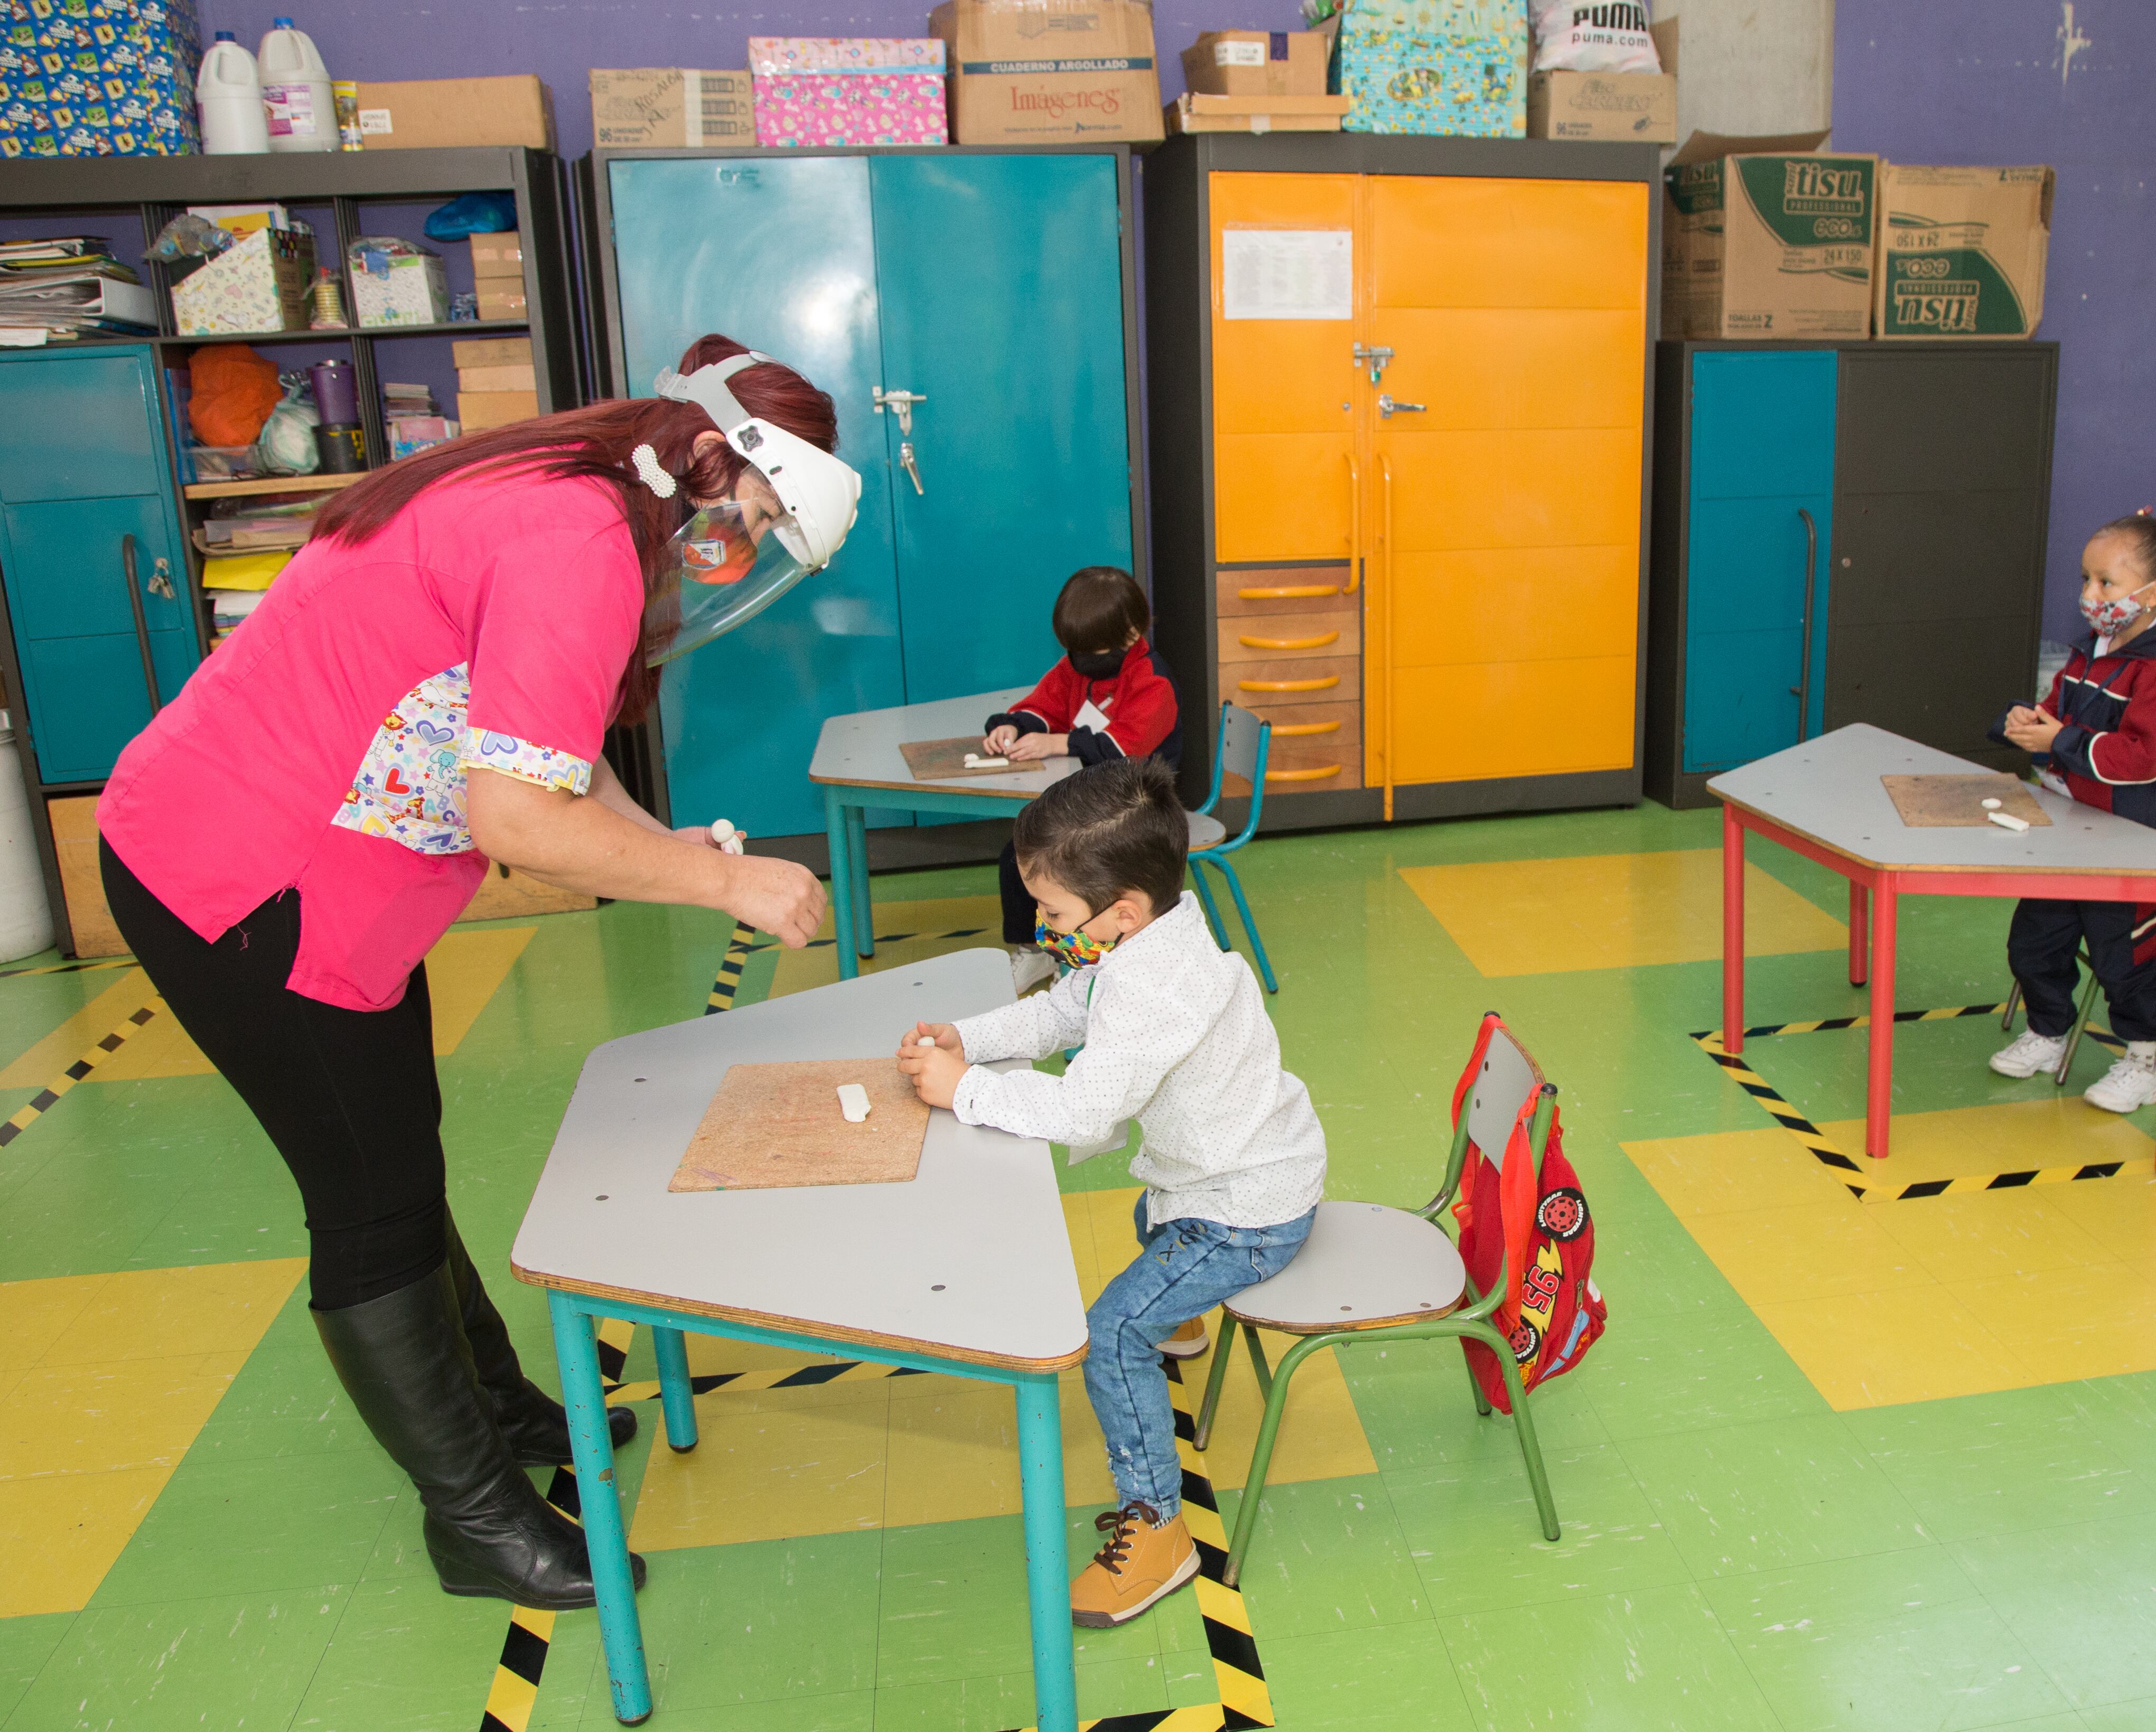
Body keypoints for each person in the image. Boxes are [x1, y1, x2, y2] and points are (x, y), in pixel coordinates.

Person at [95, 335, 860, 1611]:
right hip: (240, 886)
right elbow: (516, 819)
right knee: (368, 1197)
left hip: (314, 879)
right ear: (722, 459)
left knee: (402, 1147)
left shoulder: (577, 485)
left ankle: (495, 1410)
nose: (742, 543)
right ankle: (475, 1521)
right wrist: (729, 880)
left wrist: (652, 844)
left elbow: (543, 739)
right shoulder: (578, 542)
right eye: (760, 514)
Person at [895, 757, 1321, 1629]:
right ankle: (1189, 1314)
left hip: (1246, 1209)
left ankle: (1160, 1530)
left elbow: (1085, 1113)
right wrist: (965, 1039)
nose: (1046, 925)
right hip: (1215, 1176)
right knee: (1145, 1214)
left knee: (1112, 1332)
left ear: (1118, 910)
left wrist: (963, 1089)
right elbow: (1062, 1010)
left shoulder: (1155, 985)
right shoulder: (1150, 931)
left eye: (1053, 912)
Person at [1990, 509, 2156, 1114]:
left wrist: (2060, 742)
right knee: (2036, 942)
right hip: (2071, 827)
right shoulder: (2096, 647)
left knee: (2130, 956)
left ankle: (2142, 1063)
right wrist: (2026, 721)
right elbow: (2057, 705)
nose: (2090, 595)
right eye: (2087, 580)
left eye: (2105, 584)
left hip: (2133, 837)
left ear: (2154, 594)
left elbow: (2142, 759)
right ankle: (2048, 1031)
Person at [981, 566, 1181, 994]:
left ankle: (1077, 960)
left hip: (1140, 811)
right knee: (1020, 856)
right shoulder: (1077, 666)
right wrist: (1012, 726)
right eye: (1075, 650)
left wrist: (1056, 744)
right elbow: (1044, 702)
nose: (1081, 661)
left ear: (1130, 634)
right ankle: (1040, 952)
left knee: (1067, 869)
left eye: (1093, 650)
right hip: (1094, 804)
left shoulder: (1154, 683)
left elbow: (1122, 748)